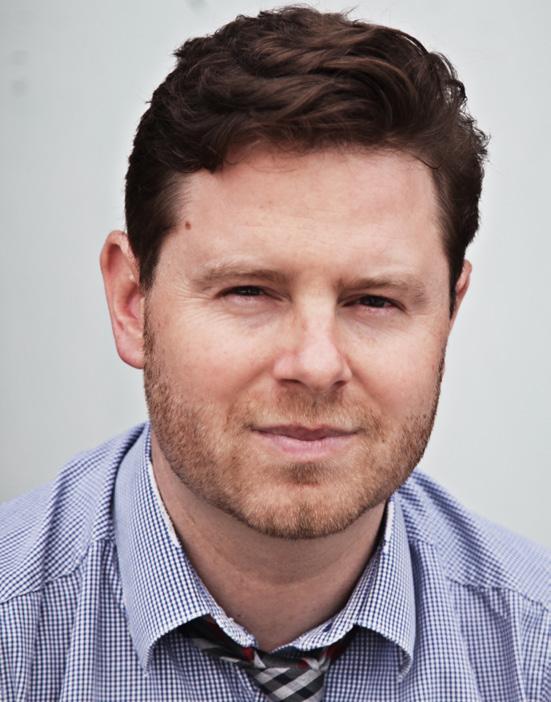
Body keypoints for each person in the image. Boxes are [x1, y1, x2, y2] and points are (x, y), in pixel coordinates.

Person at [1, 6, 548, 701]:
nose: (315, 365)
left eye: (374, 301)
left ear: (448, 313)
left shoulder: (533, 651)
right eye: (250, 291)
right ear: (132, 302)